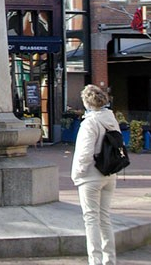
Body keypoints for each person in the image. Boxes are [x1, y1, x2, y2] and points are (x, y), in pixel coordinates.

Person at [71, 84, 121, 265]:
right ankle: (110, 259)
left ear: (86, 102)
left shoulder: (89, 123)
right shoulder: (111, 119)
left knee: (91, 219)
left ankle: (95, 260)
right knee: (104, 218)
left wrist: (78, 173)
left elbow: (85, 153)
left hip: (91, 176)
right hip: (109, 173)